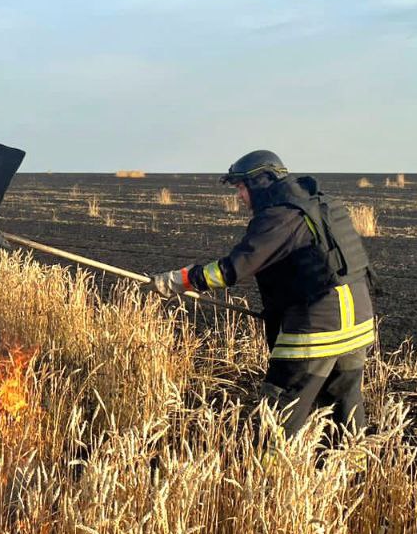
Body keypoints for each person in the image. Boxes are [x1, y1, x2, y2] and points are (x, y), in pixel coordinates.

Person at [150, 150, 376, 437]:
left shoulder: (279, 216)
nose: (239, 196)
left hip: (316, 330)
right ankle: (354, 469)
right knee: (346, 406)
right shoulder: (322, 204)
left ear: (260, 183)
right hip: (359, 325)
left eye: (241, 187)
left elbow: (231, 269)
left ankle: (270, 473)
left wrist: (179, 280)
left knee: (280, 409)